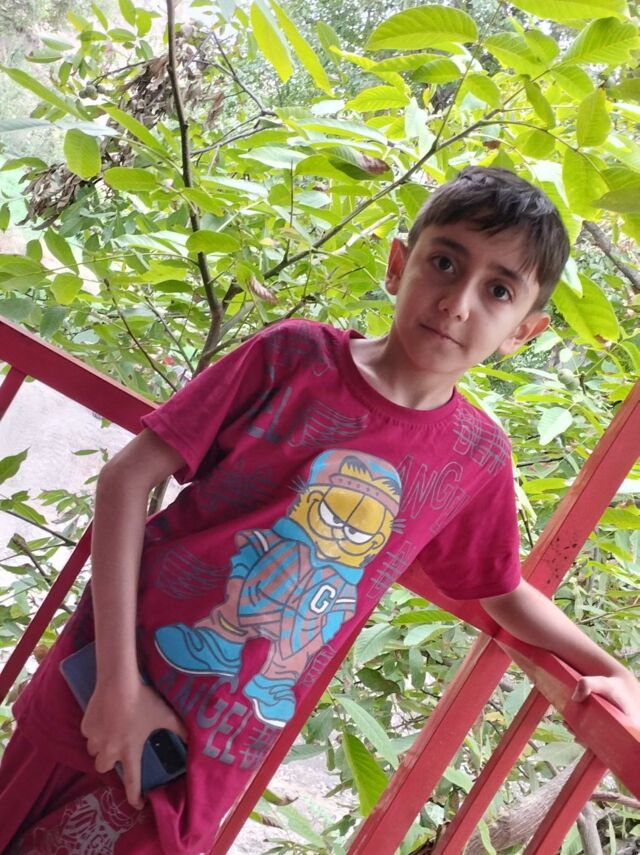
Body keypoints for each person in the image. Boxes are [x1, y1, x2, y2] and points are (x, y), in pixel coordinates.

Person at [1, 166, 638, 855]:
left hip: (210, 752)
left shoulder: (474, 457)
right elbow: (126, 480)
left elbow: (501, 589)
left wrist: (612, 668)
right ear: (398, 265)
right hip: (101, 689)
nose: (458, 302)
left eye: (498, 290)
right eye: (445, 262)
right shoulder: (293, 356)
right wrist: (118, 684)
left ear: (524, 331)